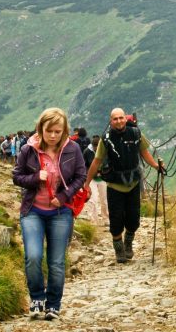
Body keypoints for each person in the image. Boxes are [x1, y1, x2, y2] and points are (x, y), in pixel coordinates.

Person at [12, 108, 86, 320]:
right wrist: (36, 177)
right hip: (32, 210)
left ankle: (53, 304)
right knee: (33, 256)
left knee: (56, 261)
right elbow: (17, 177)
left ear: (64, 131)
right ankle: (37, 298)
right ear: (41, 129)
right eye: (49, 131)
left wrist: (64, 197)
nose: (53, 135)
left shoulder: (73, 149)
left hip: (61, 212)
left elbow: (80, 176)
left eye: (58, 131)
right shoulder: (29, 149)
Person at [84, 108, 163, 263]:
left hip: (133, 183)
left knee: (134, 219)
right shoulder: (106, 139)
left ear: (125, 119)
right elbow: (97, 161)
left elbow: (144, 152)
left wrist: (156, 166)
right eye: (115, 119)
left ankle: (128, 242)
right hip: (114, 185)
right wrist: (87, 183)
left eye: (121, 118)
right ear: (111, 121)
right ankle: (119, 250)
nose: (119, 121)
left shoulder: (136, 133)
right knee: (116, 219)